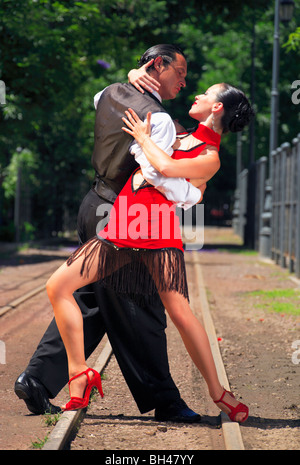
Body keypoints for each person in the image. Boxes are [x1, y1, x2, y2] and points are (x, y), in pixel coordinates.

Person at [45, 82, 254, 422]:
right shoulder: (180, 135)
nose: (198, 94)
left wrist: (143, 141)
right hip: (127, 221)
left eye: (207, 93)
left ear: (217, 108)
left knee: (181, 313)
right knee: (59, 287)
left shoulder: (209, 157)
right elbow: (173, 180)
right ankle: (79, 373)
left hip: (153, 226)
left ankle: (218, 392)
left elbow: (169, 171)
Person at [15, 44, 202, 422]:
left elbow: (101, 95)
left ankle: (36, 380)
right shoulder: (160, 121)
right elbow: (156, 175)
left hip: (93, 204)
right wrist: (191, 194)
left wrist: (132, 78)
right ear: (157, 65)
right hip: (124, 215)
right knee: (141, 302)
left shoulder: (110, 93)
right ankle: (165, 400)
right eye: (179, 72)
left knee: (92, 299)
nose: (184, 81)